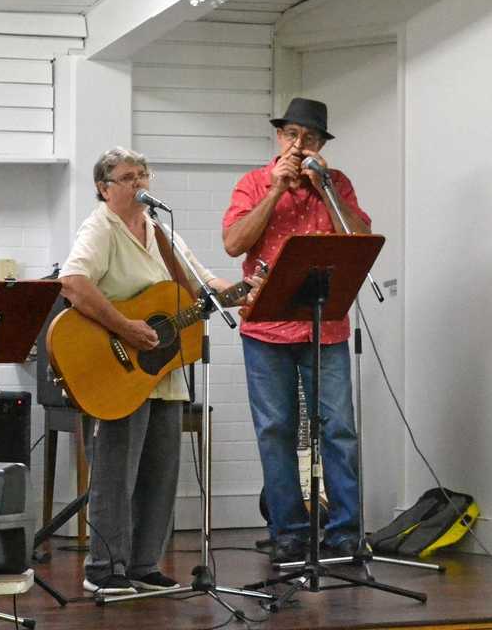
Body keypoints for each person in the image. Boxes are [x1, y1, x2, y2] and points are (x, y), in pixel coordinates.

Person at [59, 146, 260, 595]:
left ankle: (143, 564)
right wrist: (125, 326)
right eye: (129, 177)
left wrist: (240, 291)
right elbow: (73, 283)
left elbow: (199, 280)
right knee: (116, 471)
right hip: (118, 368)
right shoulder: (101, 227)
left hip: (162, 371)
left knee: (160, 470)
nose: (139, 183)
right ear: (103, 188)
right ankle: (103, 569)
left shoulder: (158, 228)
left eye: (143, 175)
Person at [221, 97, 372, 564]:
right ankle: (288, 528)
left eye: (308, 138)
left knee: (339, 429)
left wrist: (324, 187)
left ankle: (346, 532)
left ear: (322, 145)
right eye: (291, 135)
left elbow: (361, 238)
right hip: (265, 328)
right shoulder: (252, 182)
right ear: (279, 137)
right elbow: (233, 244)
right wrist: (275, 191)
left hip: (325, 327)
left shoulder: (337, 183)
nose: (298, 144)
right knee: (276, 429)